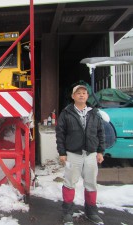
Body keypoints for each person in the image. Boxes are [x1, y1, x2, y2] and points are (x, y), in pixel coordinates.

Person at [55, 85, 105, 225]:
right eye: (78, 93)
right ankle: (67, 213)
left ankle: (91, 212)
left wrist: (100, 151)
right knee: (70, 183)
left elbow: (101, 132)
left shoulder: (94, 113)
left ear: (87, 96)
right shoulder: (66, 113)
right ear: (73, 96)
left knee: (91, 183)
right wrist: (62, 152)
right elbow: (60, 134)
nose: (81, 95)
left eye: (84, 93)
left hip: (91, 154)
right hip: (73, 154)